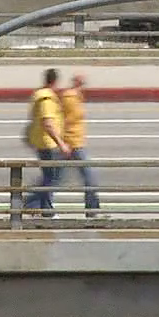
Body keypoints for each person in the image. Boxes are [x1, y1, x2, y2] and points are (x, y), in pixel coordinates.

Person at [21, 68, 67, 217]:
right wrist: (61, 143)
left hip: (42, 142)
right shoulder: (46, 99)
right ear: (55, 81)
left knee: (50, 177)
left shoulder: (40, 94)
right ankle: (45, 210)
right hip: (48, 144)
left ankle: (34, 205)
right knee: (51, 178)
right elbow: (48, 123)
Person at [58, 73, 101, 218]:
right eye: (82, 83)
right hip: (73, 144)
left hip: (76, 142)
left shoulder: (77, 97)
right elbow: (63, 121)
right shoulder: (70, 98)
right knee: (90, 177)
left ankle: (34, 203)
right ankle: (92, 210)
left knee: (53, 177)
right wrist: (64, 143)